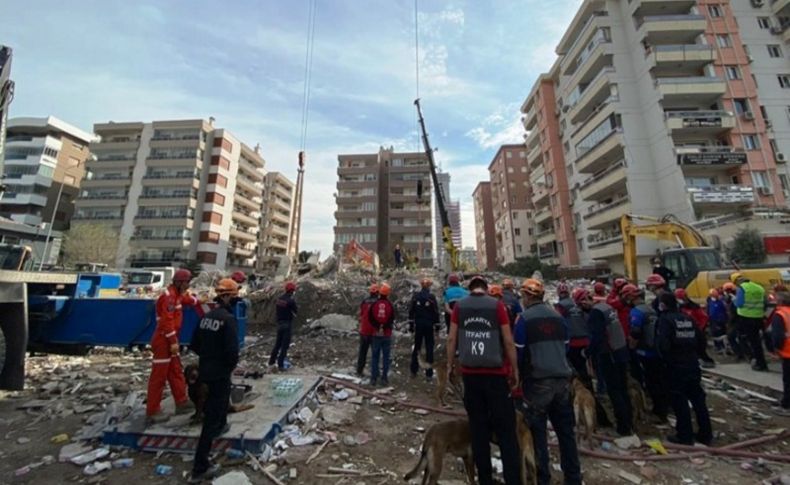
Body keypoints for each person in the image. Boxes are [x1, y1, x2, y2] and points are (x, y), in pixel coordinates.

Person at [446, 275, 521, 485]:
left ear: (470, 289)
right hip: (496, 377)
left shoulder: (460, 307)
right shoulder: (496, 306)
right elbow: (508, 340)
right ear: (486, 289)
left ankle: (485, 480)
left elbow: (452, 338)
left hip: (471, 378)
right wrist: (514, 369)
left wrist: (451, 364)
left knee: (478, 432)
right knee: (507, 432)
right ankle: (513, 479)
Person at [515, 279, 581, 485]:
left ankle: (543, 478)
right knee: (566, 434)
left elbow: (518, 352)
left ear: (527, 297)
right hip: (562, 382)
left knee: (538, 434)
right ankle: (573, 478)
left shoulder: (524, 320)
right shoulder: (558, 317)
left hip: (537, 384)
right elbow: (566, 347)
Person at [188, 278, 240, 483]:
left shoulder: (206, 317)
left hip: (206, 370)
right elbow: (232, 352)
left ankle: (221, 426)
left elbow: (194, 344)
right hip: (219, 374)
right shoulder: (228, 320)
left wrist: (208, 358)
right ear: (226, 296)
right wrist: (226, 366)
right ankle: (200, 467)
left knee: (216, 409)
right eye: (234, 297)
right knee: (211, 417)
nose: (236, 300)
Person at [656, 293, 713, 446]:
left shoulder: (665, 320)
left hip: (675, 366)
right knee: (698, 400)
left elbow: (663, 345)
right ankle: (706, 434)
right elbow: (701, 340)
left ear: (663, 305)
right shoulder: (688, 318)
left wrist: (665, 361)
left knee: (679, 401)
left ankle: (684, 436)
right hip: (692, 364)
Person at [575, 288, 633, 436]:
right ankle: (629, 422)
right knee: (623, 389)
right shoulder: (607, 307)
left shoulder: (596, 313)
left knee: (615, 391)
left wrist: (587, 352)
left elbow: (597, 337)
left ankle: (623, 428)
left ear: (584, 301)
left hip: (609, 354)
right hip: (621, 351)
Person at [146, 269, 199, 424]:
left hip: (170, 340)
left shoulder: (176, 296)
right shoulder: (168, 298)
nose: (189, 285)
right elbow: (166, 322)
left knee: (175, 371)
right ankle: (152, 410)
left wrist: (198, 301)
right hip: (164, 341)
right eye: (187, 282)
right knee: (159, 377)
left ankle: (181, 401)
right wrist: (173, 341)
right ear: (180, 282)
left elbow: (186, 299)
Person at [622, 284, 669, 423]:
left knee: (651, 382)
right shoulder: (651, 309)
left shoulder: (637, 312)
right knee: (659, 381)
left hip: (645, 351)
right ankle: (662, 409)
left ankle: (659, 412)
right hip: (657, 350)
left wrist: (630, 348)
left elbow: (635, 332)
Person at [732, 273, 768, 371]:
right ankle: (762, 361)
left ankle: (758, 363)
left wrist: (733, 300)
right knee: (758, 341)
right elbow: (765, 303)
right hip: (759, 317)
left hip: (746, 318)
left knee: (750, 341)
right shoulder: (759, 287)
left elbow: (739, 304)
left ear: (736, 282)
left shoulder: (742, 288)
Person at [675, 288, 715, 368]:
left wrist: (700, 328)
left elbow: (703, 318)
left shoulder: (694, 307)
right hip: (685, 331)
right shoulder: (679, 308)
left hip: (696, 331)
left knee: (699, 348)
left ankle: (706, 361)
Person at [409, 278, 440, 380]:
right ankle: (429, 374)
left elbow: (411, 311)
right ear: (429, 286)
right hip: (428, 325)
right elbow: (435, 312)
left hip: (419, 325)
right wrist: (437, 327)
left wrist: (411, 326)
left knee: (417, 347)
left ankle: (414, 371)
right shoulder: (431, 297)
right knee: (429, 348)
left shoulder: (416, 297)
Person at [369, 283, 395, 386]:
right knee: (385, 357)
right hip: (386, 334)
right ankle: (384, 378)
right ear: (388, 294)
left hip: (376, 334)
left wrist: (378, 327)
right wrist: (384, 327)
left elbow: (370, 318)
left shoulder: (374, 305)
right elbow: (391, 319)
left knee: (375, 356)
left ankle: (374, 378)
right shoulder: (390, 306)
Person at [269, 281, 297, 371]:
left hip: (279, 324)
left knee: (277, 345)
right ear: (292, 291)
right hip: (287, 324)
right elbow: (295, 312)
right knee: (284, 346)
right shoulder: (291, 301)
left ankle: (271, 362)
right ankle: (280, 365)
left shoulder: (279, 299)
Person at [769, 292, 790, 415]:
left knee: (788, 380)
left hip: (787, 351)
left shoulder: (780, 314)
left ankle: (787, 405)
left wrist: (776, 349)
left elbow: (778, 336)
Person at [356, 284, 379, 377]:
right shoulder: (379, 303)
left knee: (362, 352)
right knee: (375, 353)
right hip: (374, 332)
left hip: (364, 331)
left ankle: (359, 370)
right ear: (377, 292)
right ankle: (375, 372)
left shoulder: (364, 302)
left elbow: (360, 315)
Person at [722, 282, 744, 359]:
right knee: (740, 337)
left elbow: (733, 312)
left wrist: (729, 322)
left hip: (735, 321)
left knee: (731, 337)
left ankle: (740, 353)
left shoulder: (733, 299)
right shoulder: (737, 296)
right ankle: (743, 353)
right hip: (740, 320)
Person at [707, 289, 729, 355]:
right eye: (714, 294)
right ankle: (718, 347)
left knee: (722, 334)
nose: (716, 295)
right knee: (716, 334)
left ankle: (724, 347)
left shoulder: (721, 302)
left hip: (722, 321)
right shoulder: (710, 302)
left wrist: (726, 319)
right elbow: (708, 312)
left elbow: (725, 310)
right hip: (714, 321)